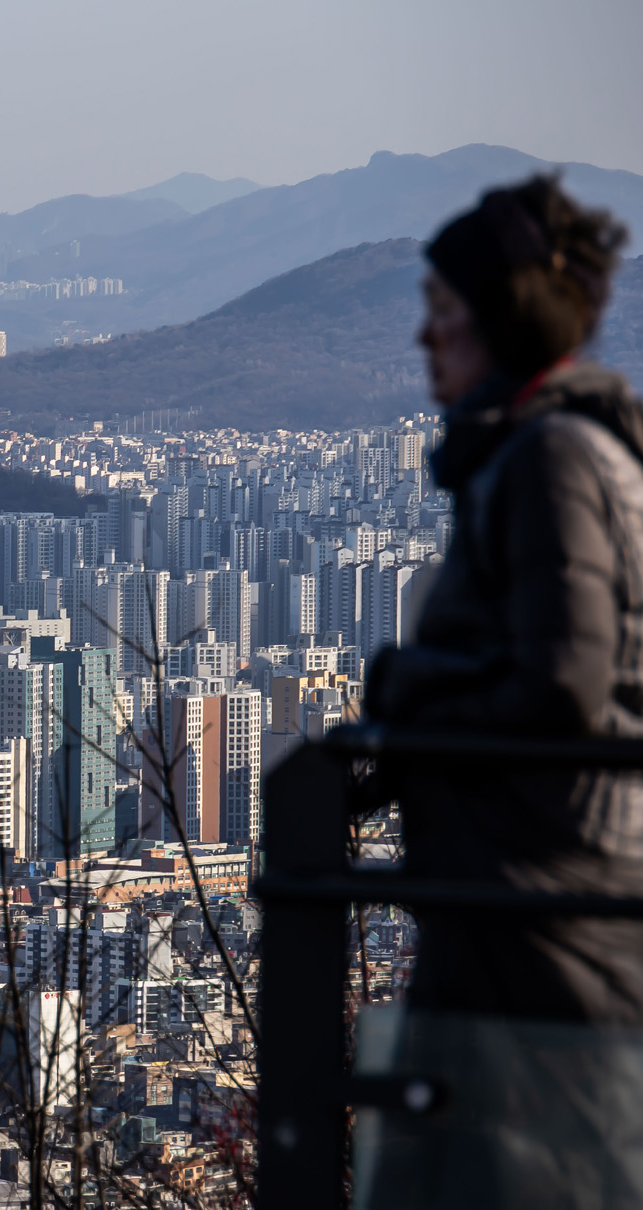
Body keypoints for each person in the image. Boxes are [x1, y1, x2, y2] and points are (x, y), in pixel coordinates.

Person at [359, 177, 643, 1207]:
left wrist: (407, 690)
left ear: (500, 319)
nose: (423, 338)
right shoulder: (550, 450)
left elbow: (563, 682)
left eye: (442, 311)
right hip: (534, 889)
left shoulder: (550, 459)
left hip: (544, 901)